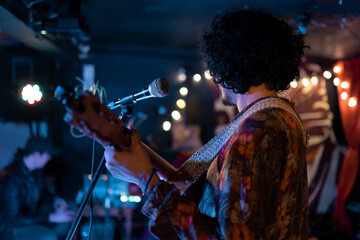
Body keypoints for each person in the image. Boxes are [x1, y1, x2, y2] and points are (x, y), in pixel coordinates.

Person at [104, 9, 309, 239]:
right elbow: (194, 190)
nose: (215, 77)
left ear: (229, 64)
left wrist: (144, 178)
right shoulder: (280, 117)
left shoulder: (255, 132)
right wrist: (142, 154)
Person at [0, 137, 75, 240]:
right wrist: (51, 217)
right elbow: (13, 219)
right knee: (49, 237)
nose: (50, 158)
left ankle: (52, 234)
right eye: (48, 154)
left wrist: (55, 200)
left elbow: (42, 194)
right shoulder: (11, 178)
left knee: (71, 208)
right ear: (36, 154)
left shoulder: (35, 172)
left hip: (32, 218)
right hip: (12, 229)